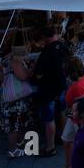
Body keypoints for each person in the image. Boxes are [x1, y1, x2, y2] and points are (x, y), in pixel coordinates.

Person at [31, 25, 69, 158]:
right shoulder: (63, 47)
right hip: (62, 86)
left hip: (48, 90)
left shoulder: (46, 54)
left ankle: (50, 147)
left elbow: (37, 75)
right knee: (62, 111)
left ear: (45, 38)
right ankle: (64, 137)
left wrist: (34, 74)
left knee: (49, 119)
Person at [0, 50, 36, 158]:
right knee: (14, 124)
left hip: (10, 96)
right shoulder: (14, 61)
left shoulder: (5, 61)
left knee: (16, 123)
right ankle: (13, 150)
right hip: (15, 99)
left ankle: (19, 143)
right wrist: (30, 70)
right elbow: (22, 76)